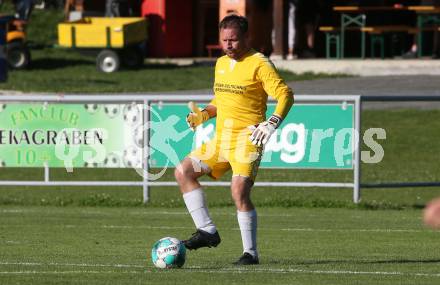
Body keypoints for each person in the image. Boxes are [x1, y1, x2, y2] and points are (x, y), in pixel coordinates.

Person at [174, 14, 294, 265]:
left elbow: (285, 95)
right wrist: (203, 115)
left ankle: (250, 254)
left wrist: (272, 122)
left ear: (247, 37)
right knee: (183, 171)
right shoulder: (220, 64)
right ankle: (207, 231)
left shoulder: (259, 63)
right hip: (221, 140)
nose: (228, 45)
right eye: (224, 40)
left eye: (234, 40)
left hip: (247, 140)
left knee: (239, 190)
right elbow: (221, 99)